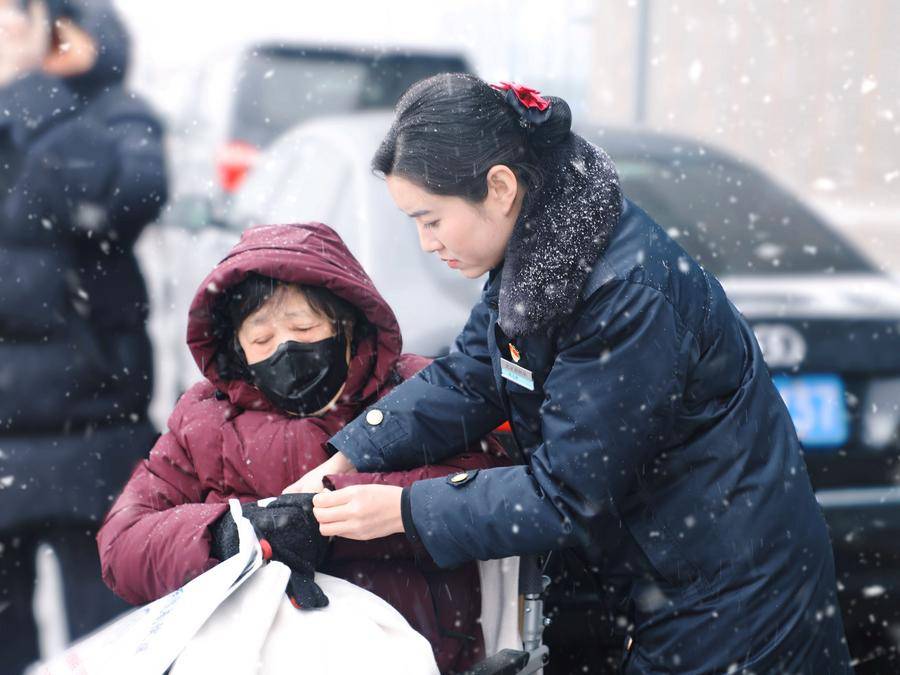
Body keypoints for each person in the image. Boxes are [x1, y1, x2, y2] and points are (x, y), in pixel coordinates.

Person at [289, 74, 854, 673]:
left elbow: (566, 494)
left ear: (500, 187)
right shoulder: (541, 260)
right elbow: (472, 375)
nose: (427, 242)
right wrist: (352, 453)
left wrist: (403, 510)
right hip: (673, 581)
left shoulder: (625, 297)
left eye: (431, 219)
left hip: (734, 606)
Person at [97, 223, 510, 674]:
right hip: (246, 651)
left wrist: (339, 511)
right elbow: (124, 543)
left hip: (399, 644)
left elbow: (485, 487)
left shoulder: (418, 393)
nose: (284, 349)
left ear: (347, 322)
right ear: (236, 347)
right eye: (260, 339)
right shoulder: (201, 419)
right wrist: (229, 533)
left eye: (304, 326)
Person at [0, 0, 166, 671]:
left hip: (93, 428)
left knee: (113, 650)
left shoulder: (111, 113)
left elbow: (128, 197)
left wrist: (36, 91)